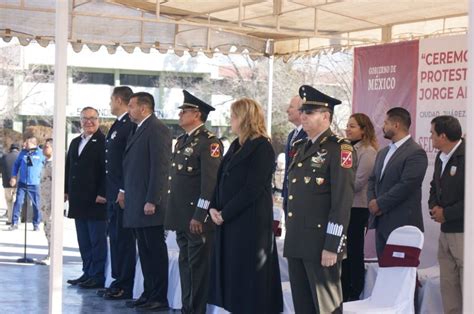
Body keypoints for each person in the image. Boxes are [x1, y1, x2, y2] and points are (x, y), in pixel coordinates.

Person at [283, 85, 355, 314]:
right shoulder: (300, 146)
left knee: (326, 307)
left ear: (326, 116)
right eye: (302, 111)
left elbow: (341, 201)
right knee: (303, 306)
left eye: (309, 112)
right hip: (297, 240)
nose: (303, 116)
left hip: (321, 243)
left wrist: (332, 245)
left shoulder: (339, 149)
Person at [208, 98, 283, 314]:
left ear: (245, 118)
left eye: (233, 116)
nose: (230, 120)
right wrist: (213, 206)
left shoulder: (262, 147)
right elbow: (221, 178)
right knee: (232, 275)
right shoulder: (235, 145)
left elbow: (253, 188)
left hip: (248, 224)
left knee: (248, 279)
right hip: (228, 221)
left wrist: (225, 213)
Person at [165, 90, 222, 314]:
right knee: (185, 264)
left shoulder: (209, 142)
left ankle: (195, 310)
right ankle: (187, 307)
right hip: (181, 215)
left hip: (196, 218)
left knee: (197, 268)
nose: (180, 115)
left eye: (184, 111)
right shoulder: (182, 141)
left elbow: (210, 183)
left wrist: (200, 214)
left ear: (197, 114)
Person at [121, 92, 171, 311]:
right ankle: (149, 292)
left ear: (143, 108)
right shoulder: (140, 128)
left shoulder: (157, 129)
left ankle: (159, 296)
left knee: (154, 251)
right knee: (145, 251)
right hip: (136, 201)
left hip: (148, 203)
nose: (128, 109)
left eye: (131, 106)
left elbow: (159, 168)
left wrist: (152, 199)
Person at [367, 107, 428, 257]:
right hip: (382, 222)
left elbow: (406, 185)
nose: (382, 126)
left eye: (386, 123)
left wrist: (380, 204)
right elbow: (372, 179)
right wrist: (372, 201)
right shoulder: (383, 152)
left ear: (396, 125)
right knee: (385, 272)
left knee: (402, 275)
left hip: (402, 224)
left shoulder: (415, 152)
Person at [99, 86, 136, 300]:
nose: (110, 103)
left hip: (122, 192)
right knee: (115, 238)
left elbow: (127, 161)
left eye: (111, 99)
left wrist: (122, 188)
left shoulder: (128, 125)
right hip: (113, 191)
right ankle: (117, 280)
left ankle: (125, 283)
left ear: (119, 100)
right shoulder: (119, 124)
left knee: (123, 240)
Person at [65, 107, 107, 289]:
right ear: (79, 121)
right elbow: (69, 168)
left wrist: (103, 193)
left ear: (98, 120)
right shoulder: (75, 142)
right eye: (85, 118)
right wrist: (65, 190)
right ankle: (87, 272)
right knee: (83, 240)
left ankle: (97, 276)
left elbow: (108, 171)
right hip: (78, 200)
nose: (89, 122)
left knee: (96, 240)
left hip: (96, 201)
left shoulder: (104, 142)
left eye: (93, 118)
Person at [428, 115, 464, 314]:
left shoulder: (467, 156)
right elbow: (434, 186)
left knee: (466, 285)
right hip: (445, 231)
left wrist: (447, 213)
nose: (430, 137)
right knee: (448, 285)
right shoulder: (442, 157)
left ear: (443, 136)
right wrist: (434, 207)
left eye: (432, 133)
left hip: (463, 232)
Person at [341, 113, 378, 301]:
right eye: (347, 125)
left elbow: (358, 182)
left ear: (364, 130)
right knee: (343, 251)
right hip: (344, 207)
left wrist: (335, 185)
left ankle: (354, 290)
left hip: (357, 209)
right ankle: (343, 288)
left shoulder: (368, 152)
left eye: (353, 126)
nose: (348, 128)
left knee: (354, 251)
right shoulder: (346, 149)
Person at [9, 136, 45, 231]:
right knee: (18, 202)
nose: (25, 144)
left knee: (36, 205)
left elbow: (47, 164)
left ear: (33, 143)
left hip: (35, 183)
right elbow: (16, 165)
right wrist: (13, 176)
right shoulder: (23, 153)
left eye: (27, 143)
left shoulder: (41, 153)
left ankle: (36, 224)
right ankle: (14, 222)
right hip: (23, 183)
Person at [282, 95, 307, 215]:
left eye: (291, 107)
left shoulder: (309, 134)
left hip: (301, 196)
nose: (287, 110)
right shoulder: (292, 135)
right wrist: (284, 195)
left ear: (301, 110)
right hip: (289, 194)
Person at [39, 138, 53, 265]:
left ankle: (52, 255)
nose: (44, 148)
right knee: (46, 228)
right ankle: (49, 253)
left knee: (51, 228)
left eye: (46, 146)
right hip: (44, 201)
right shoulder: (45, 162)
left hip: (51, 202)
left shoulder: (54, 164)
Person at [0, 143, 20, 224]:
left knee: (9, 201)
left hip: (7, 183)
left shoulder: (4, 156)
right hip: (18, 182)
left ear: (10, 149)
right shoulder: (20, 156)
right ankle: (16, 219)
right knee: (18, 201)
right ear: (18, 149)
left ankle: (10, 219)